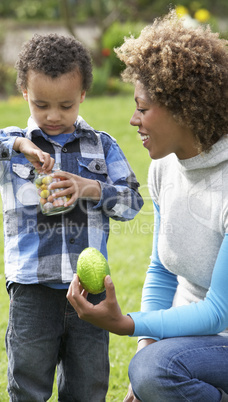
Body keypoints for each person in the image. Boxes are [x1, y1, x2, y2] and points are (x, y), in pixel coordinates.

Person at [0, 33, 143, 401]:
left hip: (89, 294)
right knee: (28, 384)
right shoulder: (12, 145)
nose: (53, 116)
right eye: (41, 104)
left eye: (66, 105)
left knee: (88, 386)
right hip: (31, 290)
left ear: (83, 97)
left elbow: (131, 202)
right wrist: (15, 145)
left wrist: (90, 188)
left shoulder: (101, 145)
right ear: (24, 93)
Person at [67, 9, 228, 402]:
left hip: (219, 334)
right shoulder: (163, 168)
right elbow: (162, 269)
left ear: (184, 108)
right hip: (194, 341)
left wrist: (126, 324)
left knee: (158, 370)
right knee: (149, 369)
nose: (133, 120)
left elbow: (218, 312)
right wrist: (145, 347)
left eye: (143, 107)